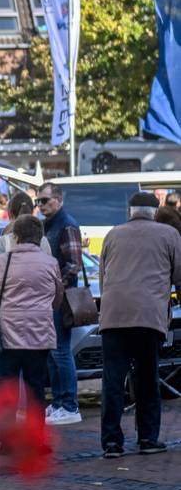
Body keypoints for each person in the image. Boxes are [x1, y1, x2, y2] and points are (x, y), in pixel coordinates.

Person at [98, 191, 181, 458]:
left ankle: (111, 442)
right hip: (148, 317)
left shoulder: (112, 234)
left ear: (130, 211)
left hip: (113, 317)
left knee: (112, 380)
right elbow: (179, 275)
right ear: (155, 212)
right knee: (147, 378)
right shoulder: (169, 235)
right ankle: (147, 438)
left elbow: (103, 278)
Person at [0, 215, 62, 455]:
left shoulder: (2, 262)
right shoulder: (50, 263)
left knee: (7, 388)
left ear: (15, 236)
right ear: (40, 237)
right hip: (39, 335)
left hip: (7, 335)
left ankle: (6, 440)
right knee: (36, 390)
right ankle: (36, 441)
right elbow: (57, 297)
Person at [35, 183, 83, 425]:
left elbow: (74, 264)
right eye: (39, 201)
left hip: (60, 299)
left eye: (45, 200)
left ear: (58, 200)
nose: (41, 205)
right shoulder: (50, 224)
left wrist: (55, 288)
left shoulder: (66, 224)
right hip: (51, 297)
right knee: (53, 352)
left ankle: (69, 404)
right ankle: (59, 402)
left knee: (60, 351)